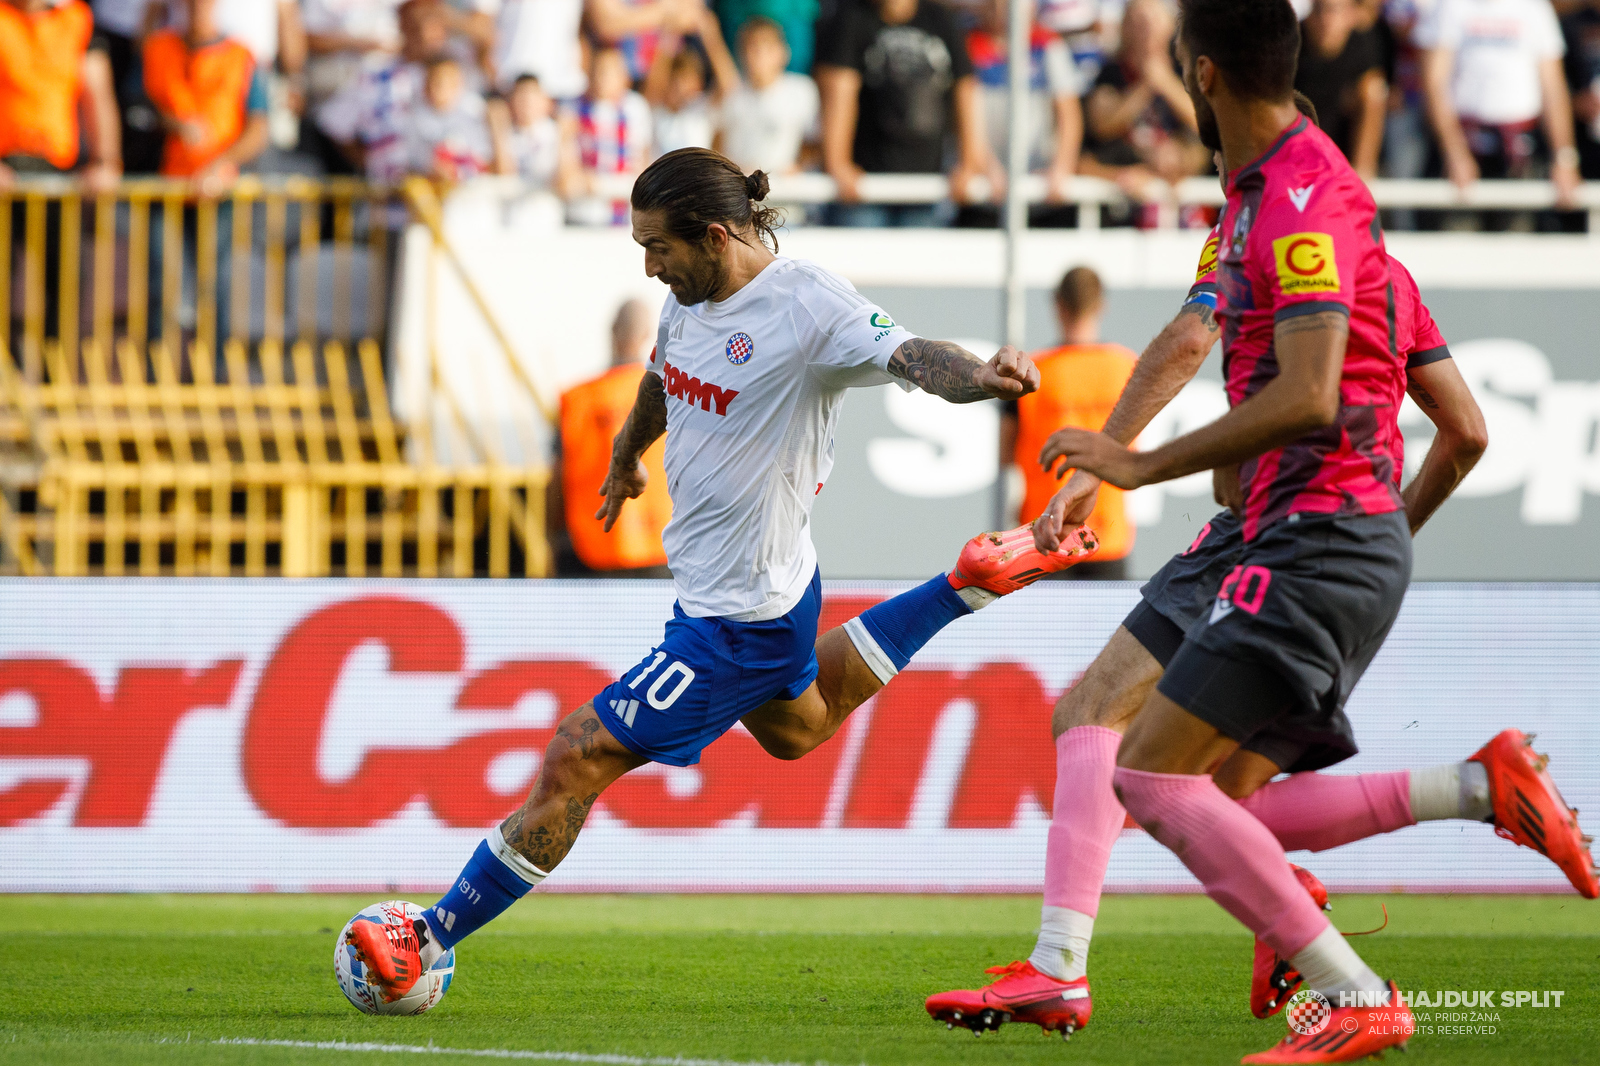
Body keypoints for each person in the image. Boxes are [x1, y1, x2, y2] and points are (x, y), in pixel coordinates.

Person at [929, 4, 1594, 1061]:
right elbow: (1462, 431)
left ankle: (1117, 969)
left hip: (1289, 533)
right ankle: (1473, 790)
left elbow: (1267, 372)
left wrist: (1131, 463)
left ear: (1204, 79)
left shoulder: (1294, 209)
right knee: (1202, 794)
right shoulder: (1280, 214)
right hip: (1296, 532)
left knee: (1128, 756)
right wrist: (1391, 534)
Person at [342, 147, 1099, 1002]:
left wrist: (983, 379)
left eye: (657, 247)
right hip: (739, 594)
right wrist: (628, 456)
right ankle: (963, 583)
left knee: (576, 756)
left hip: (739, 619)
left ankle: (428, 938)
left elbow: (912, 355)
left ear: (713, 235)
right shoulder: (685, 300)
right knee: (796, 730)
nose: (649, 266)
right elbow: (663, 379)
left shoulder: (808, 304)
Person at [1001, 266, 1136, 578]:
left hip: (1044, 533)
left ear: (1057, 304)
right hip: (1107, 535)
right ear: (1102, 305)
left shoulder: (1030, 373)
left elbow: (1004, 454)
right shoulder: (1127, 367)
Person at [815, 0, 1000, 225]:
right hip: (864, 187)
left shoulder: (940, 18)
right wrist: (838, 163)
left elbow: (965, 89)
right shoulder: (852, 16)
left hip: (929, 186)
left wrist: (969, 162)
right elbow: (839, 89)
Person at [1418, 0, 1582, 220]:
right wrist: (1455, 152)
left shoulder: (1534, 8)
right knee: (1456, 241)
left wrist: (1564, 158)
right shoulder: (1449, 7)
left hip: (1521, 148)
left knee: (1520, 241)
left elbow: (1553, 88)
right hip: (1464, 146)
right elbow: (1434, 83)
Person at [550, 299, 674, 577]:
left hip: (587, 549)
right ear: (646, 336)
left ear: (612, 331)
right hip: (659, 548)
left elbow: (557, 475)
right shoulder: (673, 392)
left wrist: (552, 537)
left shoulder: (578, 398)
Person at [1080, 0, 1209, 226]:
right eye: (1139, 20)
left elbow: (1205, 125)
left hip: (1180, 194)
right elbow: (1101, 126)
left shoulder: (1187, 71)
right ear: (1125, 26)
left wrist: (1164, 81)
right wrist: (1145, 85)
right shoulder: (1110, 73)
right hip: (1125, 190)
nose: (1147, 29)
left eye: (1154, 20)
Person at [966, 0, 1085, 212]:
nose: (1001, 8)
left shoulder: (1046, 44)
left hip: (1040, 188)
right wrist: (987, 166)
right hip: (986, 190)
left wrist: (1061, 166)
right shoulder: (969, 46)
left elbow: (1068, 114)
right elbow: (965, 116)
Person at [143, 0, 270, 194]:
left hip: (225, 187)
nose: (197, 6)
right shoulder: (158, 49)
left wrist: (220, 164)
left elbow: (258, 128)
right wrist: (175, 124)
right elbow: (140, 112)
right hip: (169, 184)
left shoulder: (241, 55)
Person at [316, 0, 452, 183]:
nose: (424, 31)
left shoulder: (461, 78)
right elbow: (335, 124)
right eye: (415, 22)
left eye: (431, 21)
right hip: (389, 197)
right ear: (402, 24)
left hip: (447, 200)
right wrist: (370, 162)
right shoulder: (376, 77)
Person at [705, 15, 819, 176]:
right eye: (751, 47)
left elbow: (814, 143)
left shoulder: (802, 90)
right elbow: (715, 142)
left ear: (783, 52)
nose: (757, 55)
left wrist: (798, 166)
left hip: (789, 192)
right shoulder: (729, 91)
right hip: (740, 192)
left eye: (766, 46)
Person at [1295, 0, 1387, 177]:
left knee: (1374, 91)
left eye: (1332, 11)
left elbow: (1375, 95)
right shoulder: (1291, 44)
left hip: (1343, 151)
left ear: (1351, 15)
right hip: (1296, 151)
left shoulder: (1365, 46)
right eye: (1319, 10)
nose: (1325, 19)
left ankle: (1360, 180)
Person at [568, 46, 654, 225]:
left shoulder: (635, 108)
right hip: (584, 209)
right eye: (596, 71)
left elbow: (642, 158)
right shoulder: (573, 108)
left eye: (607, 72)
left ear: (623, 76)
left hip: (622, 206)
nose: (600, 78)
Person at [402, 55, 496, 180]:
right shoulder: (412, 118)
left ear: (458, 85)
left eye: (441, 83)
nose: (434, 88)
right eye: (431, 81)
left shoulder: (473, 114)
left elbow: (484, 158)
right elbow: (411, 158)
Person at [497, 73, 581, 192]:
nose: (527, 104)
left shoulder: (557, 132)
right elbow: (505, 180)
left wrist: (564, 141)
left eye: (531, 97)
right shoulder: (506, 134)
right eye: (521, 97)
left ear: (545, 101)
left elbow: (567, 182)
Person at [644, 34, 718, 154]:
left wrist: (709, 34)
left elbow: (729, 85)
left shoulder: (703, 109)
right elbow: (654, 83)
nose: (679, 88)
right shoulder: (656, 112)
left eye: (685, 81)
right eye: (675, 81)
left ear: (698, 83)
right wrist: (670, 34)